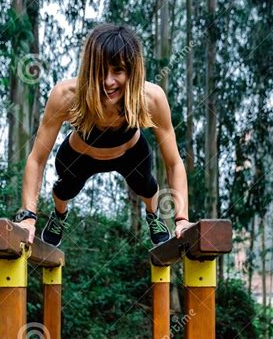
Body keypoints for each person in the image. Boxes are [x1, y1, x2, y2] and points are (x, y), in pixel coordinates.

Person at [13, 23, 194, 246]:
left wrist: (182, 219)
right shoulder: (66, 96)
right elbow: (36, 159)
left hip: (131, 154)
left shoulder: (152, 98)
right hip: (79, 156)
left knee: (146, 187)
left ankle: (152, 216)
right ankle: (59, 216)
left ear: (132, 71)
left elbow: (174, 163)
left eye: (118, 71)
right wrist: (28, 217)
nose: (108, 81)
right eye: (100, 71)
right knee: (63, 190)